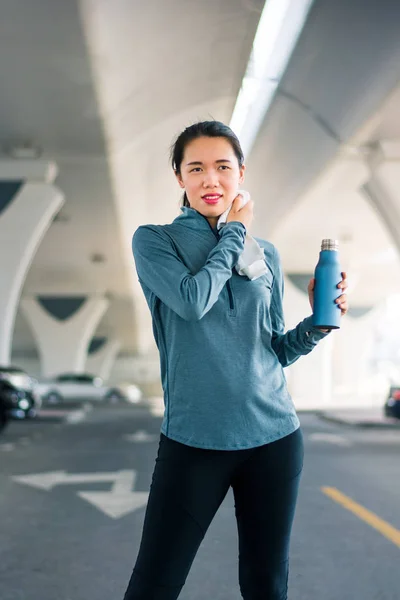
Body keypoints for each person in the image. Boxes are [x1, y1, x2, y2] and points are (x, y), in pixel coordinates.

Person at [123, 120, 348, 600]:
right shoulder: (154, 241)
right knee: (154, 586)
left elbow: (273, 350)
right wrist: (236, 232)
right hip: (194, 440)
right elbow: (191, 300)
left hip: (274, 438)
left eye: (223, 167)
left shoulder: (264, 253)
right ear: (180, 178)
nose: (212, 180)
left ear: (241, 172)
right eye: (197, 168)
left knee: (266, 586)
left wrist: (317, 325)